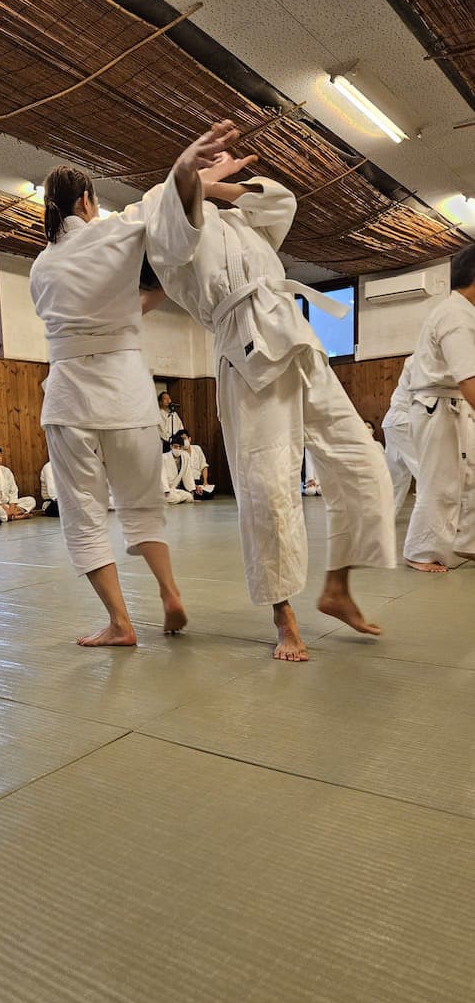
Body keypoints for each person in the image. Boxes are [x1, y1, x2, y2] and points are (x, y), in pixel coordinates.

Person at [147, 146, 395, 661]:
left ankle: (337, 588)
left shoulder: (244, 223)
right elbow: (175, 230)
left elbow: (282, 204)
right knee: (268, 489)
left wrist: (219, 185)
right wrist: (191, 179)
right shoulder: (164, 215)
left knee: (365, 462)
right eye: (198, 174)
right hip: (246, 355)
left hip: (296, 340)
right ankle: (284, 616)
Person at [29, 121, 237, 646]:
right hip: (125, 394)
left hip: (69, 397)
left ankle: (121, 623)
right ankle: (169, 591)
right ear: (87, 200)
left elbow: (96, 314)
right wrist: (195, 173)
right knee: (143, 506)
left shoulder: (41, 268)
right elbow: (164, 207)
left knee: (84, 515)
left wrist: (195, 180)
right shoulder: (113, 231)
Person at [403, 245, 475, 572]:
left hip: (450, 404)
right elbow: (468, 378)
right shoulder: (455, 315)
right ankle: (419, 552)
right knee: (440, 482)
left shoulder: (462, 312)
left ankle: (466, 543)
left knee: (468, 477)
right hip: (437, 406)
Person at [381, 357, 419, 515]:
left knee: (398, 476)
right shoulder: (420, 359)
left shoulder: (415, 359)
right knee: (423, 469)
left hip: (394, 421)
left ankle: (385, 517)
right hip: (403, 420)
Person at [0, 444, 36, 523]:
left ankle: (11, 515)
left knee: (30, 500)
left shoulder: (6, 471)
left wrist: (11, 507)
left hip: (9, 504)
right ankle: (17, 516)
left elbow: (13, 490)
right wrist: (4, 507)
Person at [175, 429, 215, 498]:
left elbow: (204, 466)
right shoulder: (179, 453)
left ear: (189, 439)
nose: (183, 441)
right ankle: (192, 493)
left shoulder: (197, 449)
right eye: (181, 440)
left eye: (185, 438)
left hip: (197, 481)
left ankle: (194, 493)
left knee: (210, 494)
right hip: (185, 482)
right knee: (190, 492)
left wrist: (205, 481)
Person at [161, 435, 197, 503]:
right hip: (163, 490)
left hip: (173, 489)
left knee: (189, 497)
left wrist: (191, 490)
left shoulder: (185, 457)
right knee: (176, 498)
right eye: (175, 446)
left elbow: (187, 474)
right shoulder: (163, 458)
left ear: (182, 448)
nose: (178, 449)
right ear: (171, 446)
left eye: (180, 447)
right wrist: (165, 490)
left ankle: (176, 498)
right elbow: (162, 476)